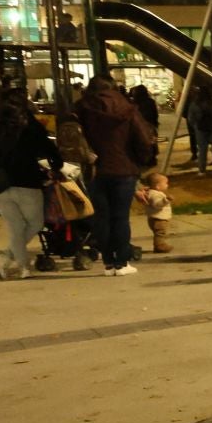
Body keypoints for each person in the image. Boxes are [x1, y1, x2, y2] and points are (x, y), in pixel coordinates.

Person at [0, 87, 62, 279]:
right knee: (35, 223)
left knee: (15, 226)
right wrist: (55, 166)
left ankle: (22, 266)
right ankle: (8, 256)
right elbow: (50, 151)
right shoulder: (31, 130)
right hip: (26, 183)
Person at [77, 74, 155, 276]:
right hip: (124, 169)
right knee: (120, 217)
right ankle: (122, 262)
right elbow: (144, 139)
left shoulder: (82, 109)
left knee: (102, 217)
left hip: (95, 170)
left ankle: (108, 262)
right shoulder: (127, 109)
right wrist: (141, 160)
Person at [136, 170, 173, 254]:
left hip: (154, 217)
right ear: (158, 186)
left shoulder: (150, 193)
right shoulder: (155, 194)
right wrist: (166, 200)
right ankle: (159, 246)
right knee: (160, 233)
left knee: (159, 233)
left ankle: (160, 244)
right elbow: (157, 204)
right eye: (166, 183)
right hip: (159, 218)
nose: (167, 185)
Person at [185, 84, 212, 174]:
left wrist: (195, 125)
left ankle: (202, 170)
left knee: (202, 150)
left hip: (200, 128)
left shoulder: (195, 103)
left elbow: (190, 118)